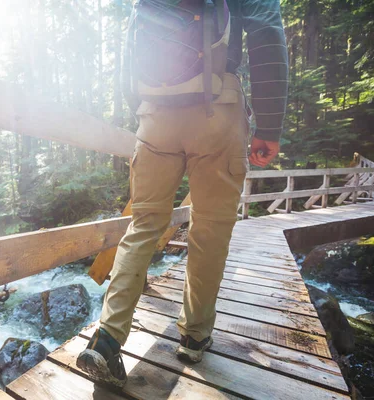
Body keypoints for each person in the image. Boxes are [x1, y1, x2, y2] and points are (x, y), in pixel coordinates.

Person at [76, 0, 288, 387]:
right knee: (209, 229)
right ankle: (193, 336)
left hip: (156, 115)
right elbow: (267, 38)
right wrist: (269, 126)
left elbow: (130, 56)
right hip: (217, 109)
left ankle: (106, 340)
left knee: (142, 225)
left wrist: (145, 110)